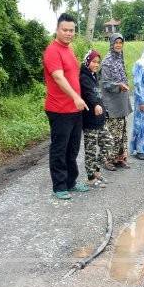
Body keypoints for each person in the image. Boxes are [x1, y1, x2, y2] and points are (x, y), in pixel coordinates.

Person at [43, 13, 89, 200]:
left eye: (72, 30)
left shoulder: (69, 50)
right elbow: (58, 77)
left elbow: (73, 76)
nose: (69, 33)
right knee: (60, 149)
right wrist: (74, 97)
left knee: (73, 148)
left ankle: (71, 181)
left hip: (74, 108)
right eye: (65, 30)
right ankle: (59, 186)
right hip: (59, 109)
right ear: (57, 29)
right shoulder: (52, 51)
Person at [79, 50, 114, 188]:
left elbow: (98, 94)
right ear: (87, 61)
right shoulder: (83, 77)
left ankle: (97, 170)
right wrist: (96, 104)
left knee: (109, 142)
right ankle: (90, 177)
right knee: (91, 150)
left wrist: (103, 108)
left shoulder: (94, 76)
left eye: (98, 62)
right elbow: (88, 94)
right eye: (93, 61)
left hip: (100, 119)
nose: (96, 64)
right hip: (90, 120)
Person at [100, 33, 133, 169]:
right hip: (111, 103)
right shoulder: (107, 61)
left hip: (121, 101)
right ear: (112, 44)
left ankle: (119, 158)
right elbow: (105, 83)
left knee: (122, 131)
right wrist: (119, 86)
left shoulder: (120, 58)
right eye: (116, 42)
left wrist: (123, 85)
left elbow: (122, 77)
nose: (119, 45)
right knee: (112, 132)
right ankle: (107, 161)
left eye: (121, 42)